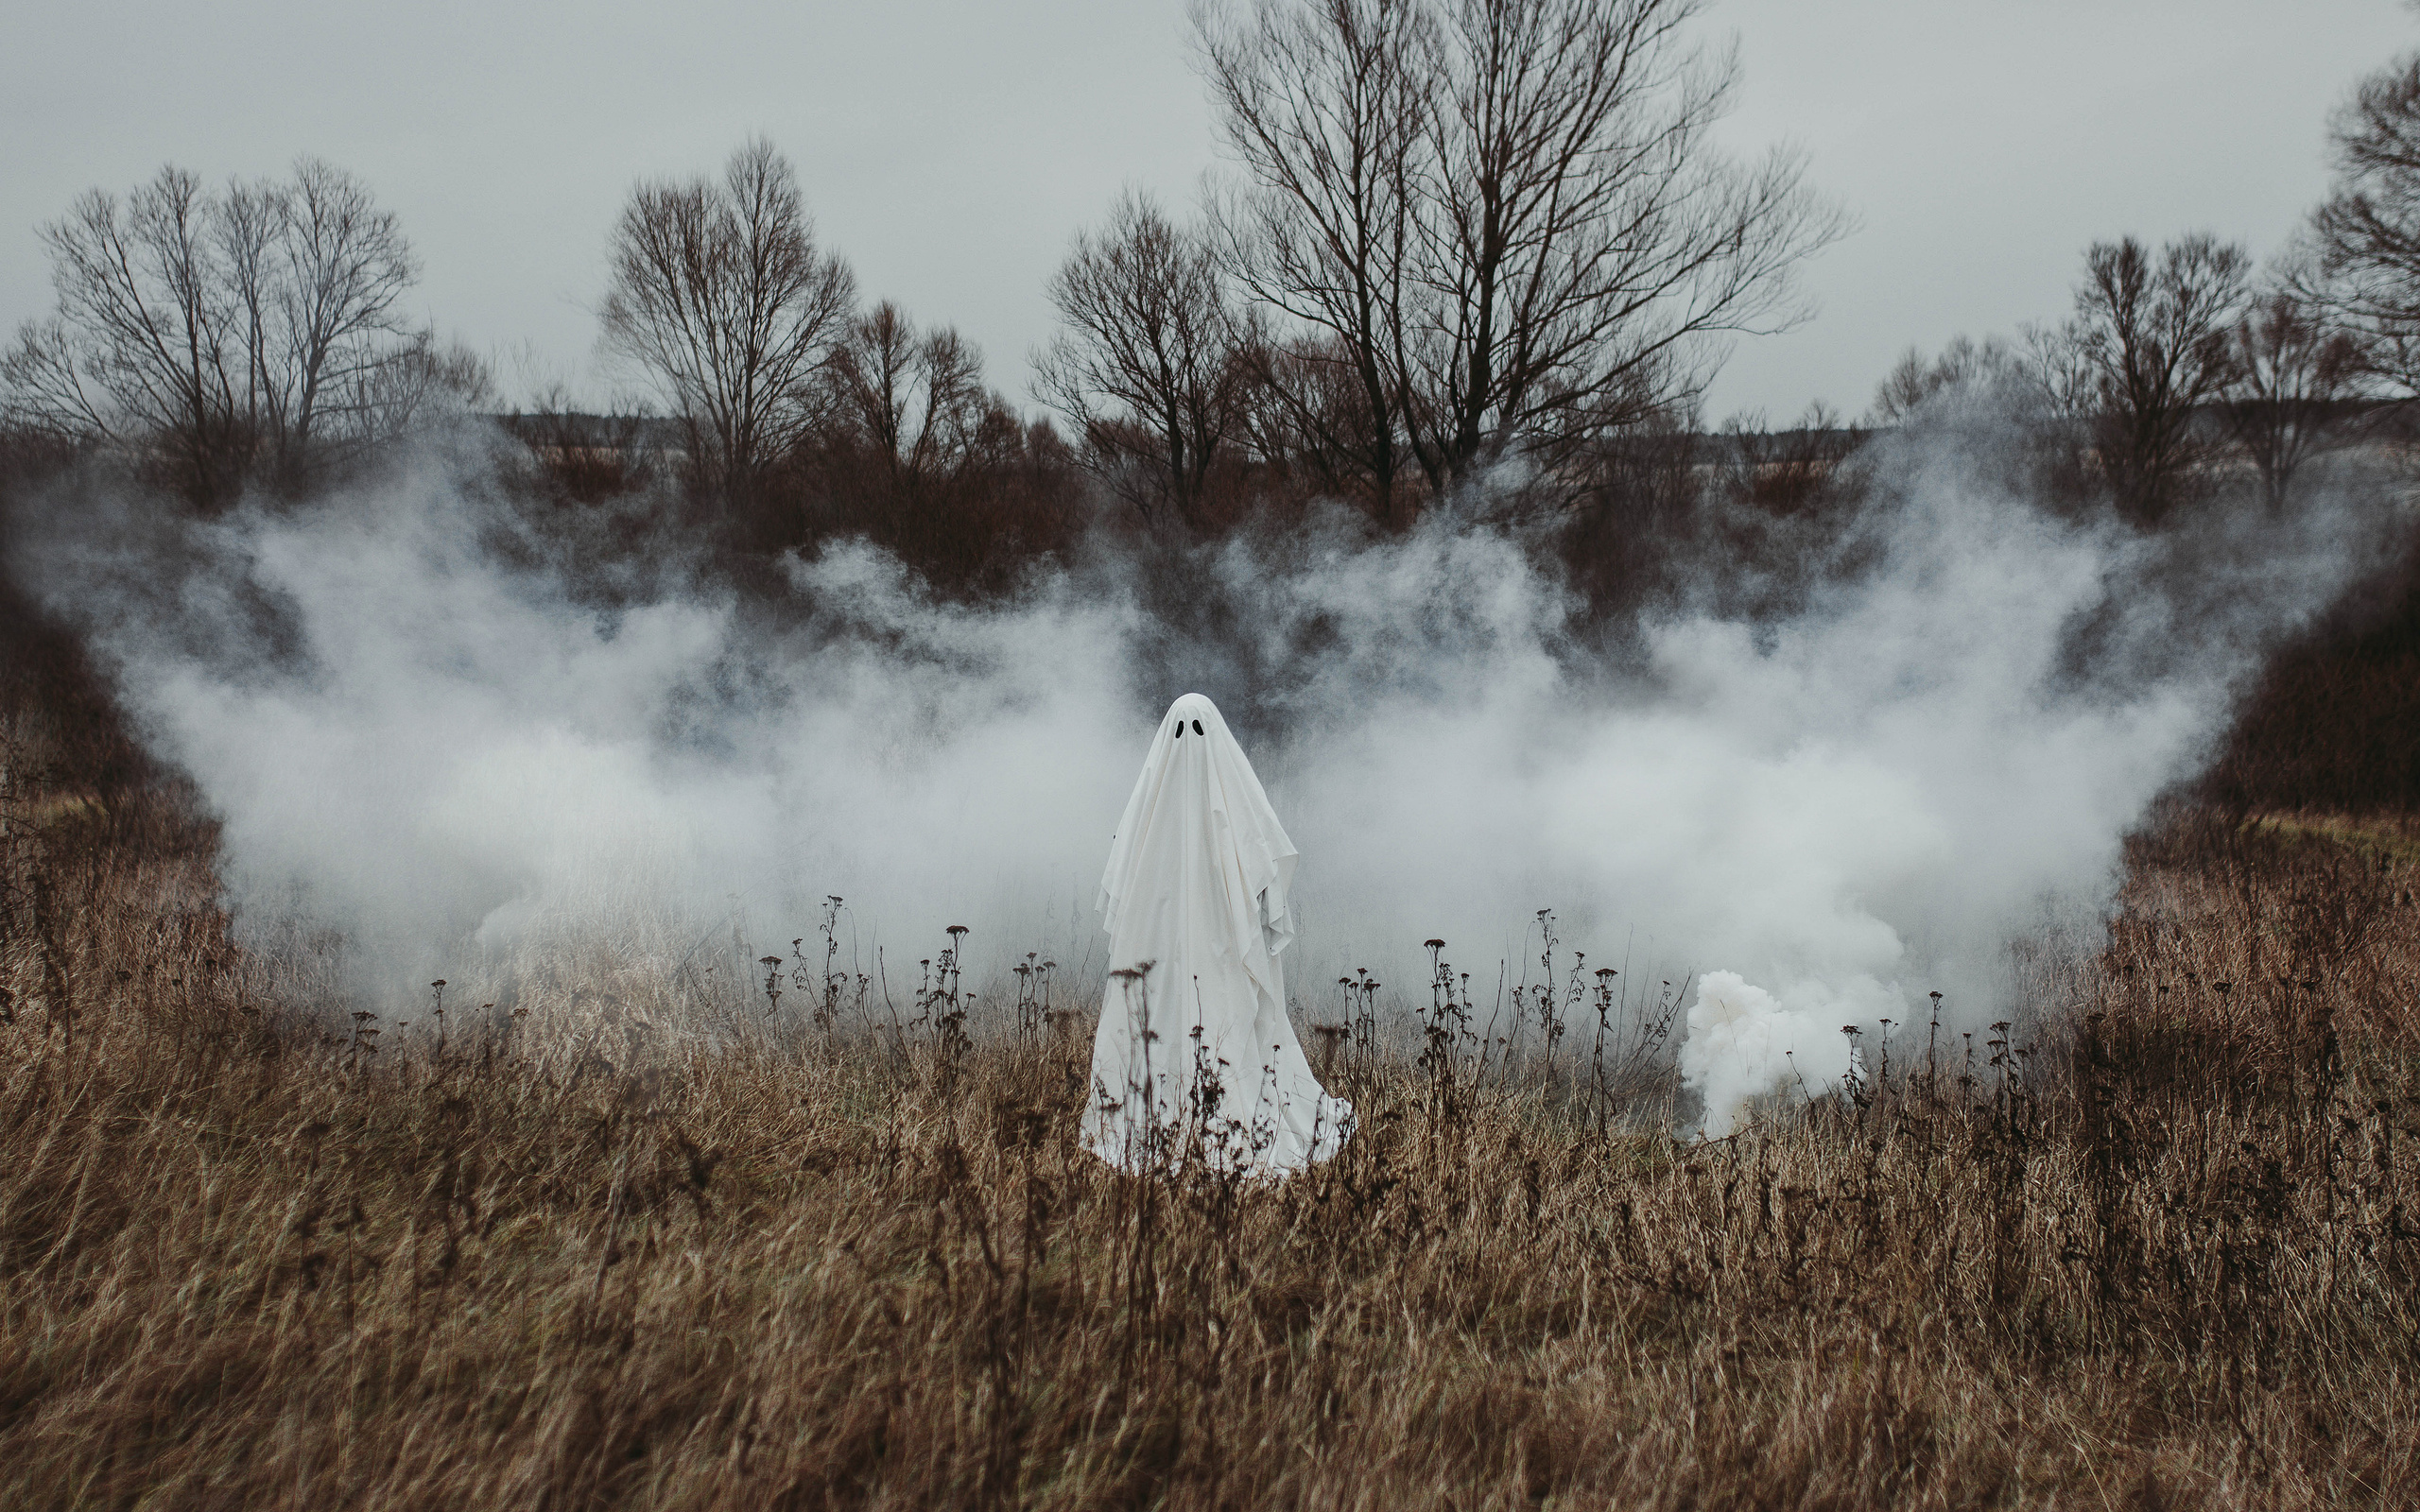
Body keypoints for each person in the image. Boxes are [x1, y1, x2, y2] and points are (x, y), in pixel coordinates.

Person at [1081, 693, 1352, 1173]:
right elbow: (1129, 876)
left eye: (1198, 731)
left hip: (1223, 949)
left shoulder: (1225, 800)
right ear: (1169, 740)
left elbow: (1262, 854)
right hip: (1163, 953)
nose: (1190, 744)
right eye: (1181, 731)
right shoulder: (1154, 807)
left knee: (1226, 1018)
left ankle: (1220, 1109)